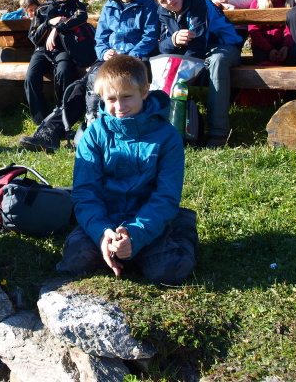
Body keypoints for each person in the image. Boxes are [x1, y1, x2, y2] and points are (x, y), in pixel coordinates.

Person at [56, 55, 198, 285]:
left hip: (148, 219)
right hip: (106, 217)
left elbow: (166, 196)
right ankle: (116, 250)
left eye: (127, 97)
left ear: (144, 91)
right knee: (76, 261)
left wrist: (135, 233)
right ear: (101, 97)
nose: (120, 107)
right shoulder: (93, 134)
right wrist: (103, 233)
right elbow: (85, 193)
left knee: (169, 271)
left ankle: (182, 226)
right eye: (111, 99)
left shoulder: (168, 136)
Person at [19, 0, 159, 152]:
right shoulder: (110, 5)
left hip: (135, 59)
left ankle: (92, 131)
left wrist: (129, 55)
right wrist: (104, 52)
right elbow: (100, 38)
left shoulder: (147, 5)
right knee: (79, 86)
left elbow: (150, 37)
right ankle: (50, 131)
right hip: (108, 58)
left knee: (93, 85)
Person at [150, 0, 243, 148]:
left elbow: (198, 42)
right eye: (163, 0)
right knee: (164, 65)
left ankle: (218, 133)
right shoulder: (163, 11)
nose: (169, 1)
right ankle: (165, 128)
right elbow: (162, 46)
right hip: (193, 51)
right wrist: (174, 40)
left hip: (225, 46)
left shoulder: (199, 3)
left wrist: (183, 70)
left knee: (217, 62)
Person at [24, 0, 91, 125]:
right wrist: (49, 23)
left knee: (64, 73)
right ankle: (41, 122)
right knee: (31, 78)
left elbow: (81, 18)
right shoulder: (42, 9)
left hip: (65, 49)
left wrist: (57, 29)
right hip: (42, 51)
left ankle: (62, 117)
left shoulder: (77, 6)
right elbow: (34, 37)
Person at [248, 0, 296, 65]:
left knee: (295, 57)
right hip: (263, 45)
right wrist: (269, 49)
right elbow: (254, 31)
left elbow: (291, 29)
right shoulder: (257, 4)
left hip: (284, 43)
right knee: (263, 62)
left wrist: (286, 46)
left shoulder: (290, 3)